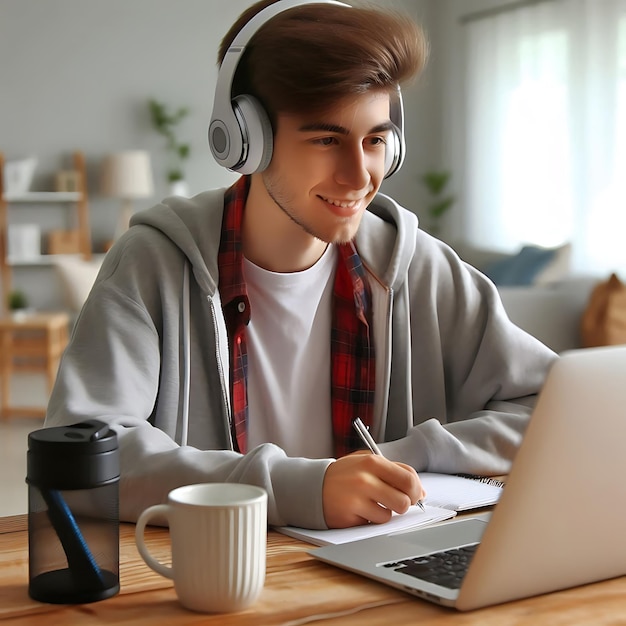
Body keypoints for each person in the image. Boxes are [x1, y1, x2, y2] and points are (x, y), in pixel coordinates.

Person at [45, 0, 556, 531]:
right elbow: (83, 458)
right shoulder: (152, 264)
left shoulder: (418, 266)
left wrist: (404, 455)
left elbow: (553, 406)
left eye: (376, 140)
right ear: (247, 140)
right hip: (213, 586)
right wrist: (299, 488)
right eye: (326, 140)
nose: (360, 175)